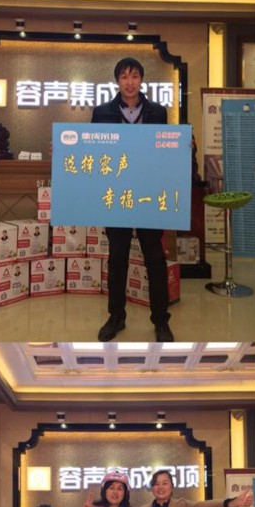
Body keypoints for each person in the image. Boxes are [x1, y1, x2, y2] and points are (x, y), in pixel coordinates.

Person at [91, 58, 174, 344]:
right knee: (117, 258)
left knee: (155, 259)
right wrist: (65, 150)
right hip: (116, 195)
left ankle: (161, 320)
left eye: (135, 76)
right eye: (124, 77)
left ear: (141, 80)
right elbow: (91, 149)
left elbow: (166, 149)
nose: (130, 82)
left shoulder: (157, 112)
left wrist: (186, 147)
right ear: (117, 81)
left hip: (149, 194)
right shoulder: (102, 112)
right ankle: (116, 316)